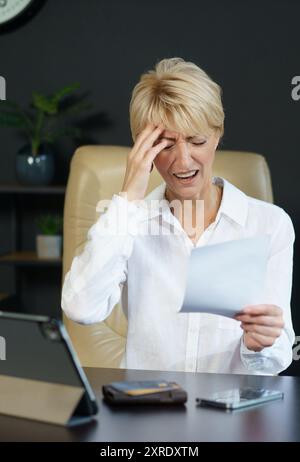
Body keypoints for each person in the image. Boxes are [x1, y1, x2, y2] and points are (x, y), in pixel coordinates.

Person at [62, 57, 295, 375]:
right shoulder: (129, 222)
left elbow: (276, 356)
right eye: (165, 145)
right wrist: (129, 196)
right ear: (142, 149)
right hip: (146, 411)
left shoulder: (269, 224)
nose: (182, 161)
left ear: (217, 134)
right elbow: (81, 307)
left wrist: (260, 345)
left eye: (196, 141)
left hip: (230, 414)